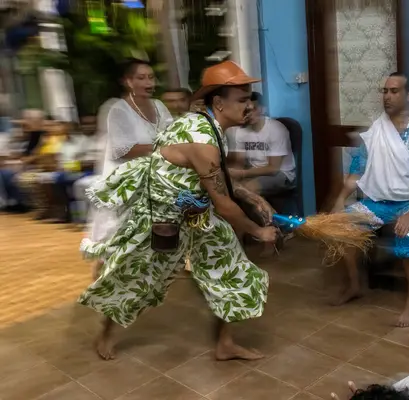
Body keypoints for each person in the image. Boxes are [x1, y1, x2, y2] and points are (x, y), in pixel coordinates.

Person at [78, 60, 277, 361]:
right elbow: (222, 202)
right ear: (219, 103)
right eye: (242, 100)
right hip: (164, 217)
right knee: (138, 276)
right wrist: (257, 230)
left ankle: (225, 343)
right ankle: (105, 331)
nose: (249, 106)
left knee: (230, 267)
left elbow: (215, 180)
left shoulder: (210, 125)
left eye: (250, 98)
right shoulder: (203, 139)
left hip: (194, 209)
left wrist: (246, 193)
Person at [331, 72, 409, 327]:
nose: (387, 96)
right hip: (379, 202)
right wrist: (341, 199)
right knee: (342, 225)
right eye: (384, 91)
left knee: (408, 234)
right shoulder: (377, 130)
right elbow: (358, 169)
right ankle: (354, 285)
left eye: (394, 91)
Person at [84, 59, 172, 278]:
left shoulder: (159, 106)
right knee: (117, 236)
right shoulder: (117, 109)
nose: (148, 82)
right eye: (141, 78)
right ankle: (103, 284)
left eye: (151, 77)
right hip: (124, 181)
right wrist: (163, 146)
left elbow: (172, 134)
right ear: (128, 81)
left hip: (152, 175)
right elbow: (122, 149)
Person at [226, 92, 296, 196]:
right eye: (246, 110)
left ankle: (264, 212)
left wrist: (243, 174)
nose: (249, 114)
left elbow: (273, 169)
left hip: (281, 173)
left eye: (254, 109)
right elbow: (239, 163)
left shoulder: (276, 129)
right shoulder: (240, 131)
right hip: (254, 171)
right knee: (231, 187)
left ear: (262, 109)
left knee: (247, 189)